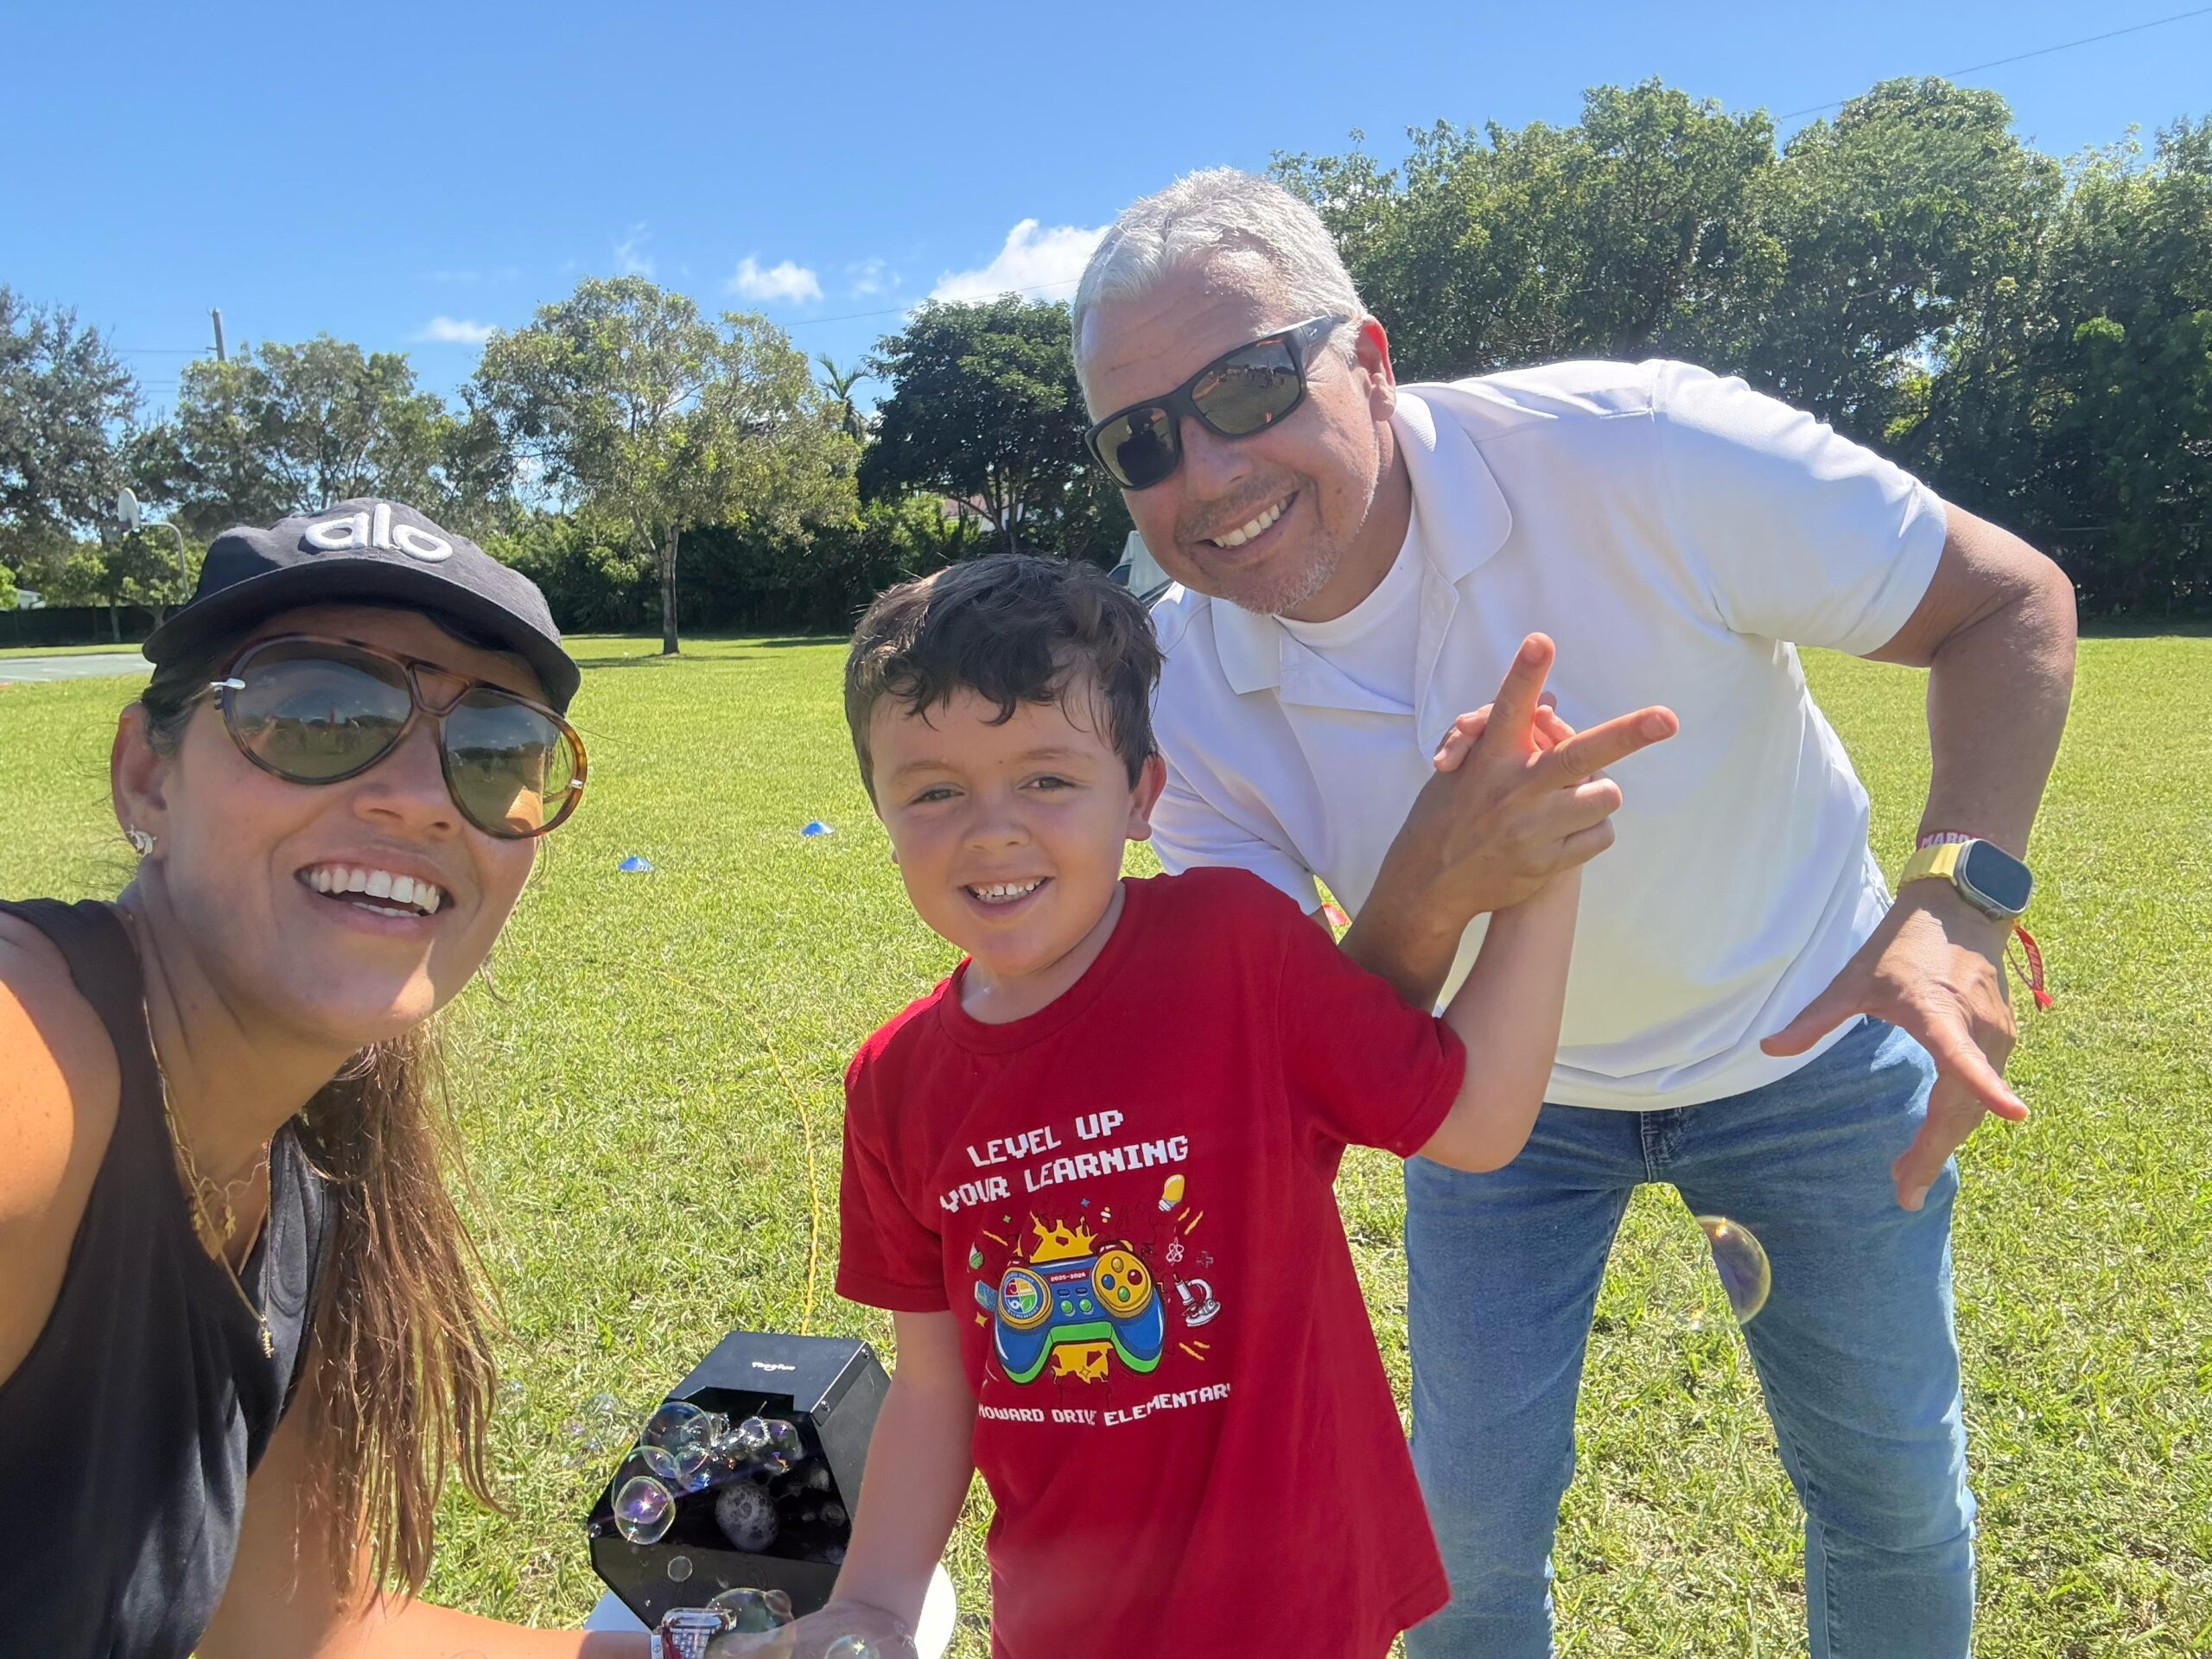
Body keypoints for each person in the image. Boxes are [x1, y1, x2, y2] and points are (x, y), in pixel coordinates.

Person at [1071, 169, 2077, 1658]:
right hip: (1500, 1113)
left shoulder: (1643, 449)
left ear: (1369, 358)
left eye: (1247, 385)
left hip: (1808, 1036)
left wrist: (1956, 901)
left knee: (1890, 1498)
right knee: (1464, 1543)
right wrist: (1439, 877)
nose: (1205, 472)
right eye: (1143, 440)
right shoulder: (1186, 688)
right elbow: (1314, 1059)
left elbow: (2007, 602)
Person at [810, 551, 1639, 1659]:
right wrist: (871, 1604)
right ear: (879, 805)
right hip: (1059, 1626)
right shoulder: (892, 1082)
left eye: (1047, 778)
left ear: (1141, 795)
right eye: (933, 790)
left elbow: (1479, 1122)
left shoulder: (1234, 950)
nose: (991, 829)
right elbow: (931, 1388)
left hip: (1297, 1602)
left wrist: (1545, 868)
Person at [0, 499, 655, 1657]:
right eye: (314, 713)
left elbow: (308, 1636)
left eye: (495, 747)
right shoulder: (32, 1064)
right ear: (148, 778)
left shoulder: (301, 1181)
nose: (420, 796)